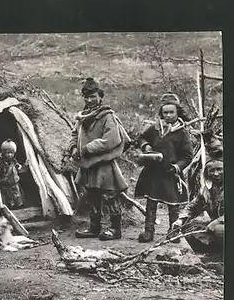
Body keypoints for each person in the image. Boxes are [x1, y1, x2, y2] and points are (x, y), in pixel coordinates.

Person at [68, 78, 130, 241]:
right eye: (86, 97)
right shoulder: (82, 117)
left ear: (100, 96)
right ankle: (95, 227)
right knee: (92, 194)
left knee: (109, 195)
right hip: (88, 165)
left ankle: (116, 229)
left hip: (103, 163)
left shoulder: (107, 115)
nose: (90, 100)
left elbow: (112, 138)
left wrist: (88, 148)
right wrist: (74, 147)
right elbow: (75, 133)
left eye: (93, 96)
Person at [134, 93, 193, 243]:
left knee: (173, 205)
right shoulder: (155, 129)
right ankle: (148, 232)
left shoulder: (182, 133)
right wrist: (146, 146)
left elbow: (187, 156)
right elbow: (141, 137)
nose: (168, 115)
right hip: (154, 172)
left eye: (171, 112)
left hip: (170, 173)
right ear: (161, 113)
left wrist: (176, 168)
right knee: (151, 202)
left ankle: (173, 232)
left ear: (177, 112)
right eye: (165, 112)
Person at [171, 152, 224, 254]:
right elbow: (193, 206)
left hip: (222, 226)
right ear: (207, 173)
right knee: (188, 226)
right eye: (212, 170)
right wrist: (181, 220)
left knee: (219, 229)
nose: (216, 173)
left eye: (219, 169)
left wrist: (217, 221)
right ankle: (209, 254)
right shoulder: (206, 191)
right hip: (215, 226)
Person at [0, 139, 27, 209]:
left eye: (11, 153)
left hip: (14, 184)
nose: (9, 155)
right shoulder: (0, 162)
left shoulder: (14, 161)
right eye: (7, 153)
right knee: (8, 199)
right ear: (3, 153)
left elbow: (18, 168)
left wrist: (19, 167)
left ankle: (19, 206)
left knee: (17, 197)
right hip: (5, 185)